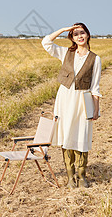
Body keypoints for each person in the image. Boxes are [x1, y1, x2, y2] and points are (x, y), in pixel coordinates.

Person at [41, 23, 102, 188]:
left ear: (88, 35)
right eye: (75, 34)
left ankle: (82, 176)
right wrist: (63, 29)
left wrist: (96, 109)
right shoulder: (66, 53)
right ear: (72, 38)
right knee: (66, 137)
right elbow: (46, 42)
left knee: (82, 136)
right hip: (65, 99)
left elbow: (95, 86)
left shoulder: (95, 59)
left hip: (83, 101)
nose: (80, 36)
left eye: (82, 33)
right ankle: (70, 177)